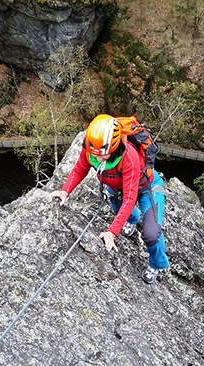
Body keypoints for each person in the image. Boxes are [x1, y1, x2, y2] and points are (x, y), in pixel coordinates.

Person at [50, 114, 169, 284]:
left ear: (114, 147)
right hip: (118, 186)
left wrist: (112, 232)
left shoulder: (129, 157)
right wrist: (65, 191)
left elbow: (130, 198)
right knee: (118, 204)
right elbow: (79, 169)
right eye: (95, 154)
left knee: (151, 234)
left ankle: (157, 264)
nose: (98, 159)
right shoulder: (92, 147)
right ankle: (132, 220)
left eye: (103, 156)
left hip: (147, 187)